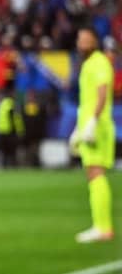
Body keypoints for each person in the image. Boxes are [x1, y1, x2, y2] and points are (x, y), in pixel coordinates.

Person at [69, 27, 115, 243]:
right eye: (80, 39)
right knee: (93, 174)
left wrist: (93, 122)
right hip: (90, 124)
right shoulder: (89, 63)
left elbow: (102, 93)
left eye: (86, 38)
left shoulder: (98, 62)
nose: (82, 42)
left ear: (95, 40)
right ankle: (101, 225)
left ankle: (103, 227)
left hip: (98, 127)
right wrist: (80, 127)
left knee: (96, 173)